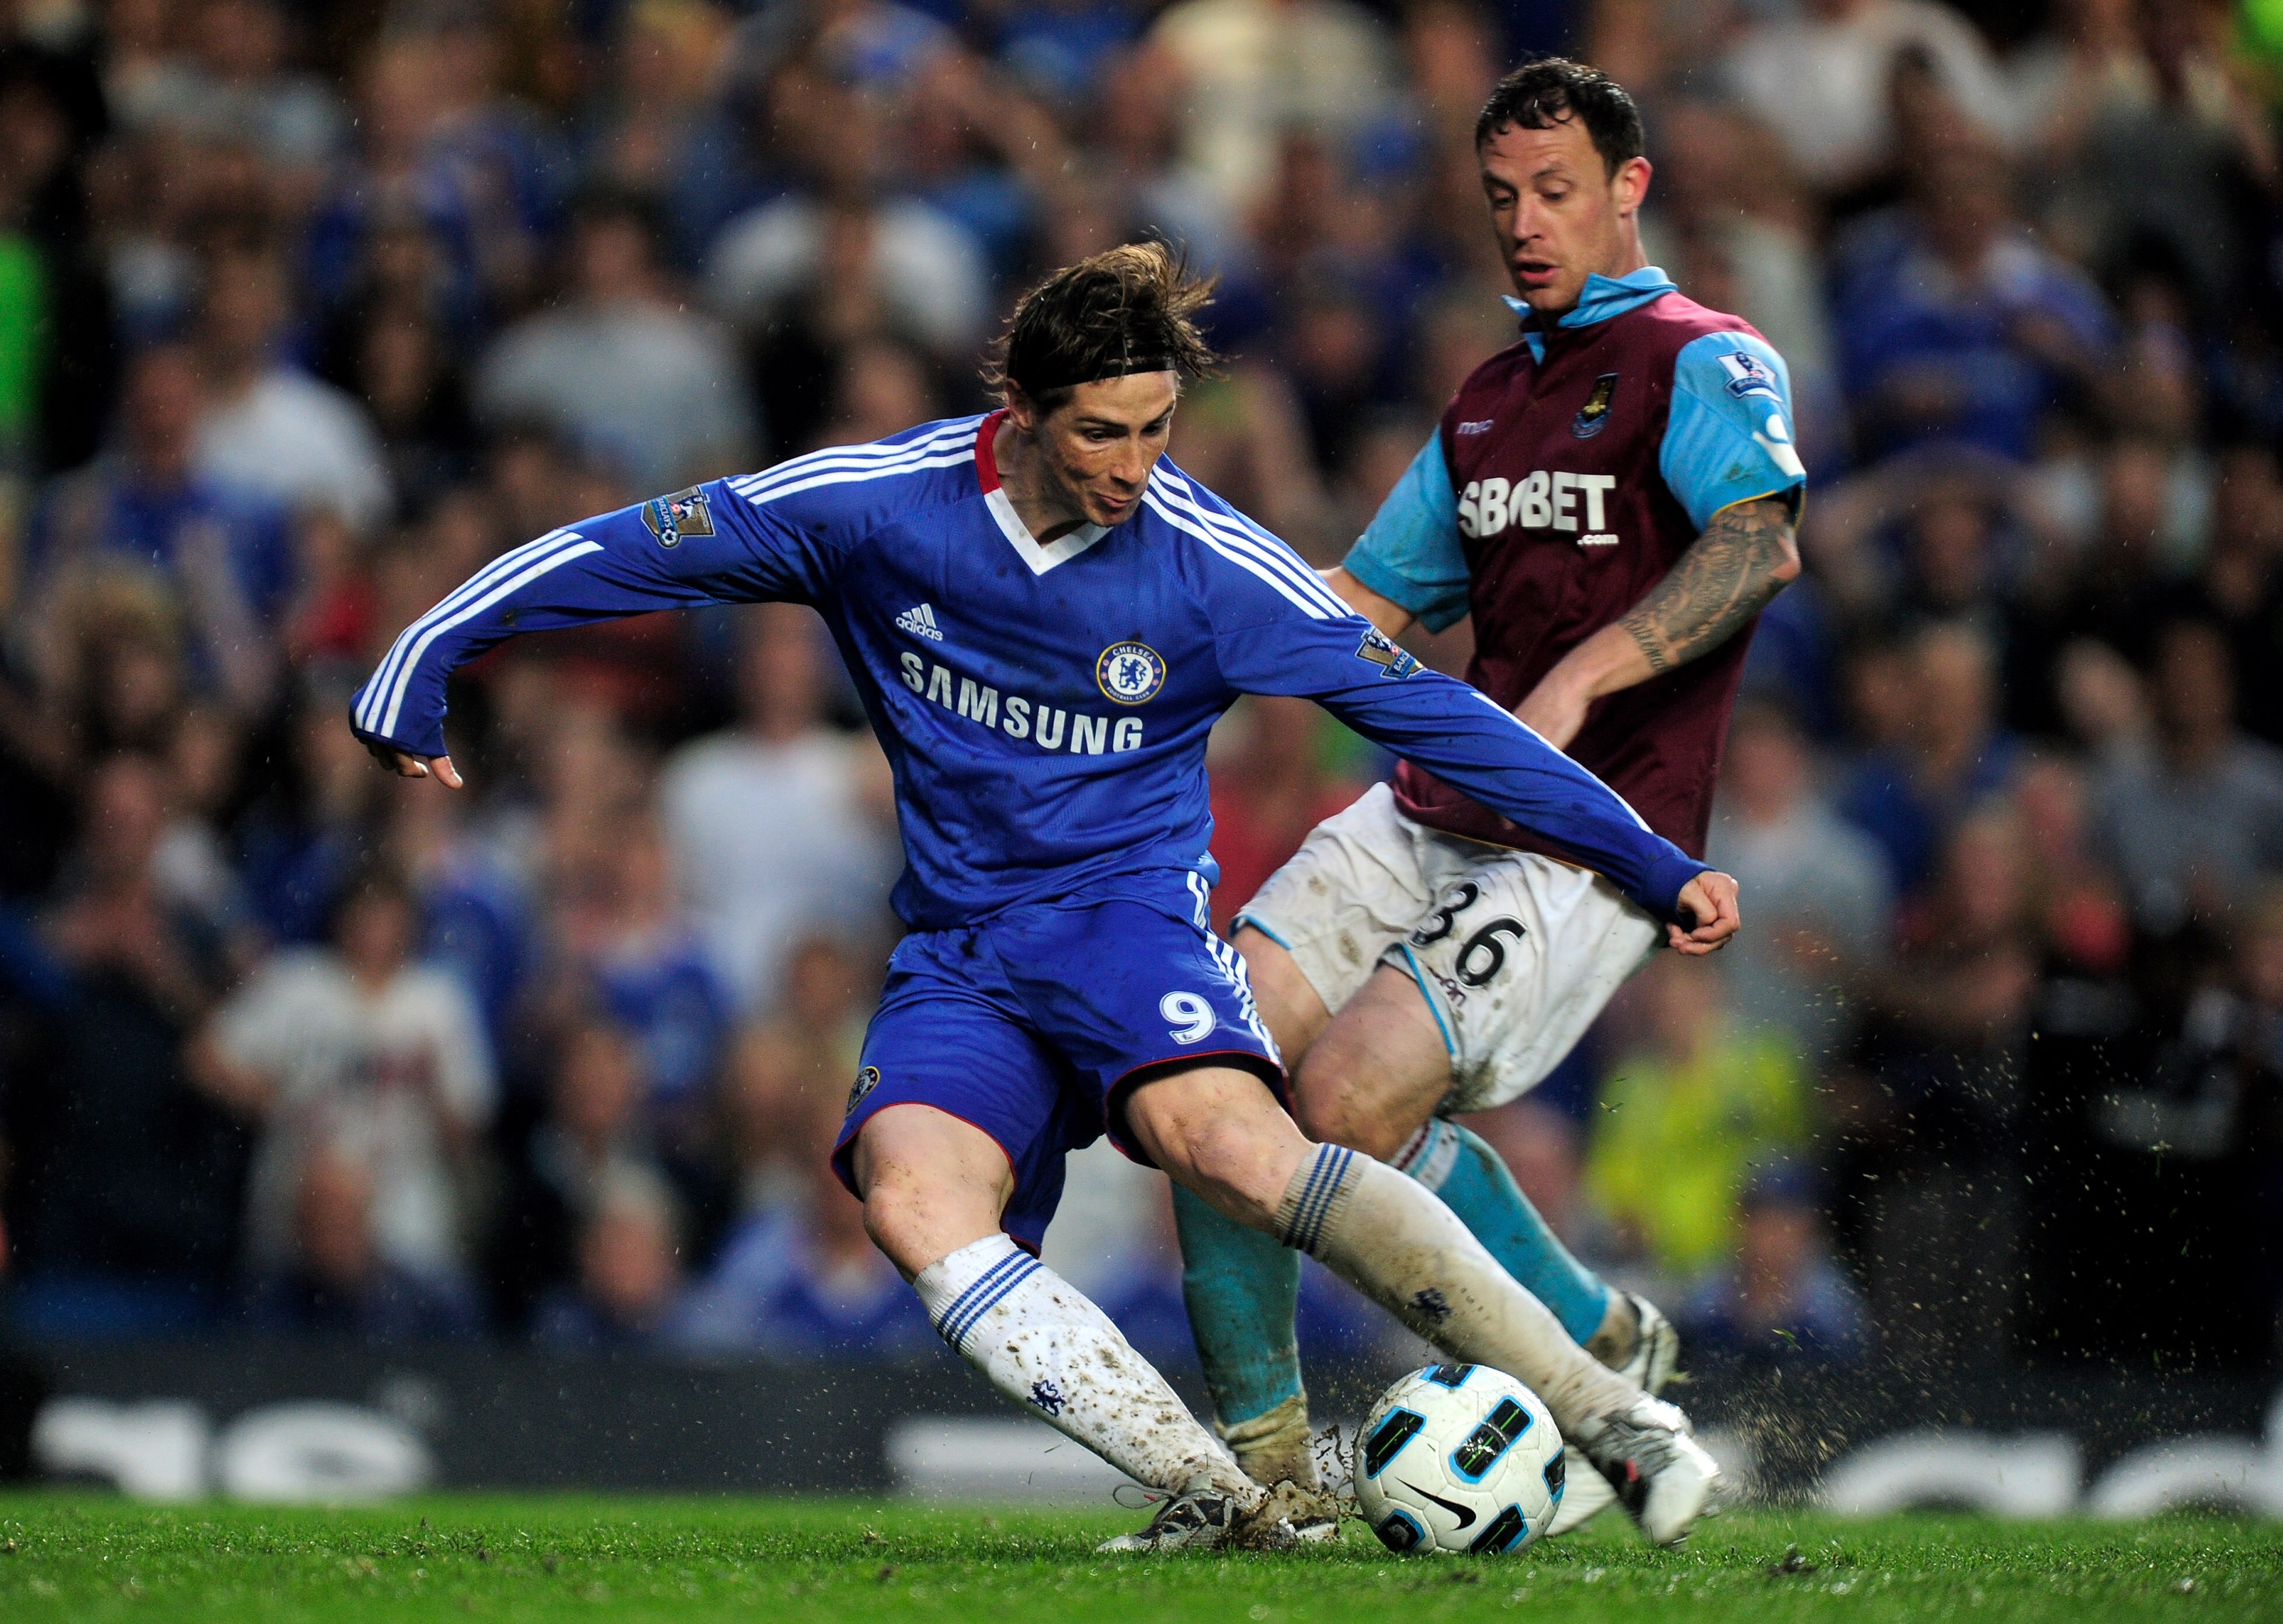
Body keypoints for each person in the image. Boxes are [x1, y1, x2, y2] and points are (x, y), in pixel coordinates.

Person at [346, 241, 1738, 1552]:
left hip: (1127, 923)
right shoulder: (873, 506)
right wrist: (433, 639)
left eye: (1157, 430)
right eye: (1101, 434)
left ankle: (1611, 1412)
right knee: (908, 1193)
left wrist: (1648, 859)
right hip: (961, 948)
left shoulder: (1206, 563)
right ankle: (1221, 1491)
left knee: (1237, 1151)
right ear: (1018, 410)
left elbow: (1441, 720)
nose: (1136, 468)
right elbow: (639, 542)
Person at [1168, 57, 1805, 1535]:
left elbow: (1755, 546)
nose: (1524, 223)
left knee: (1338, 1102)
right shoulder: (1483, 401)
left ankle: (1586, 1354)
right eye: (1502, 197)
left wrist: (1579, 680)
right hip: (1429, 803)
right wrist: (1163, 668)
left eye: (1556, 191)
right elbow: (1363, 606)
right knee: (1197, 1062)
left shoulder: (1699, 358)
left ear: (1628, 188)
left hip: (1592, 838)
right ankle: (1259, 1485)